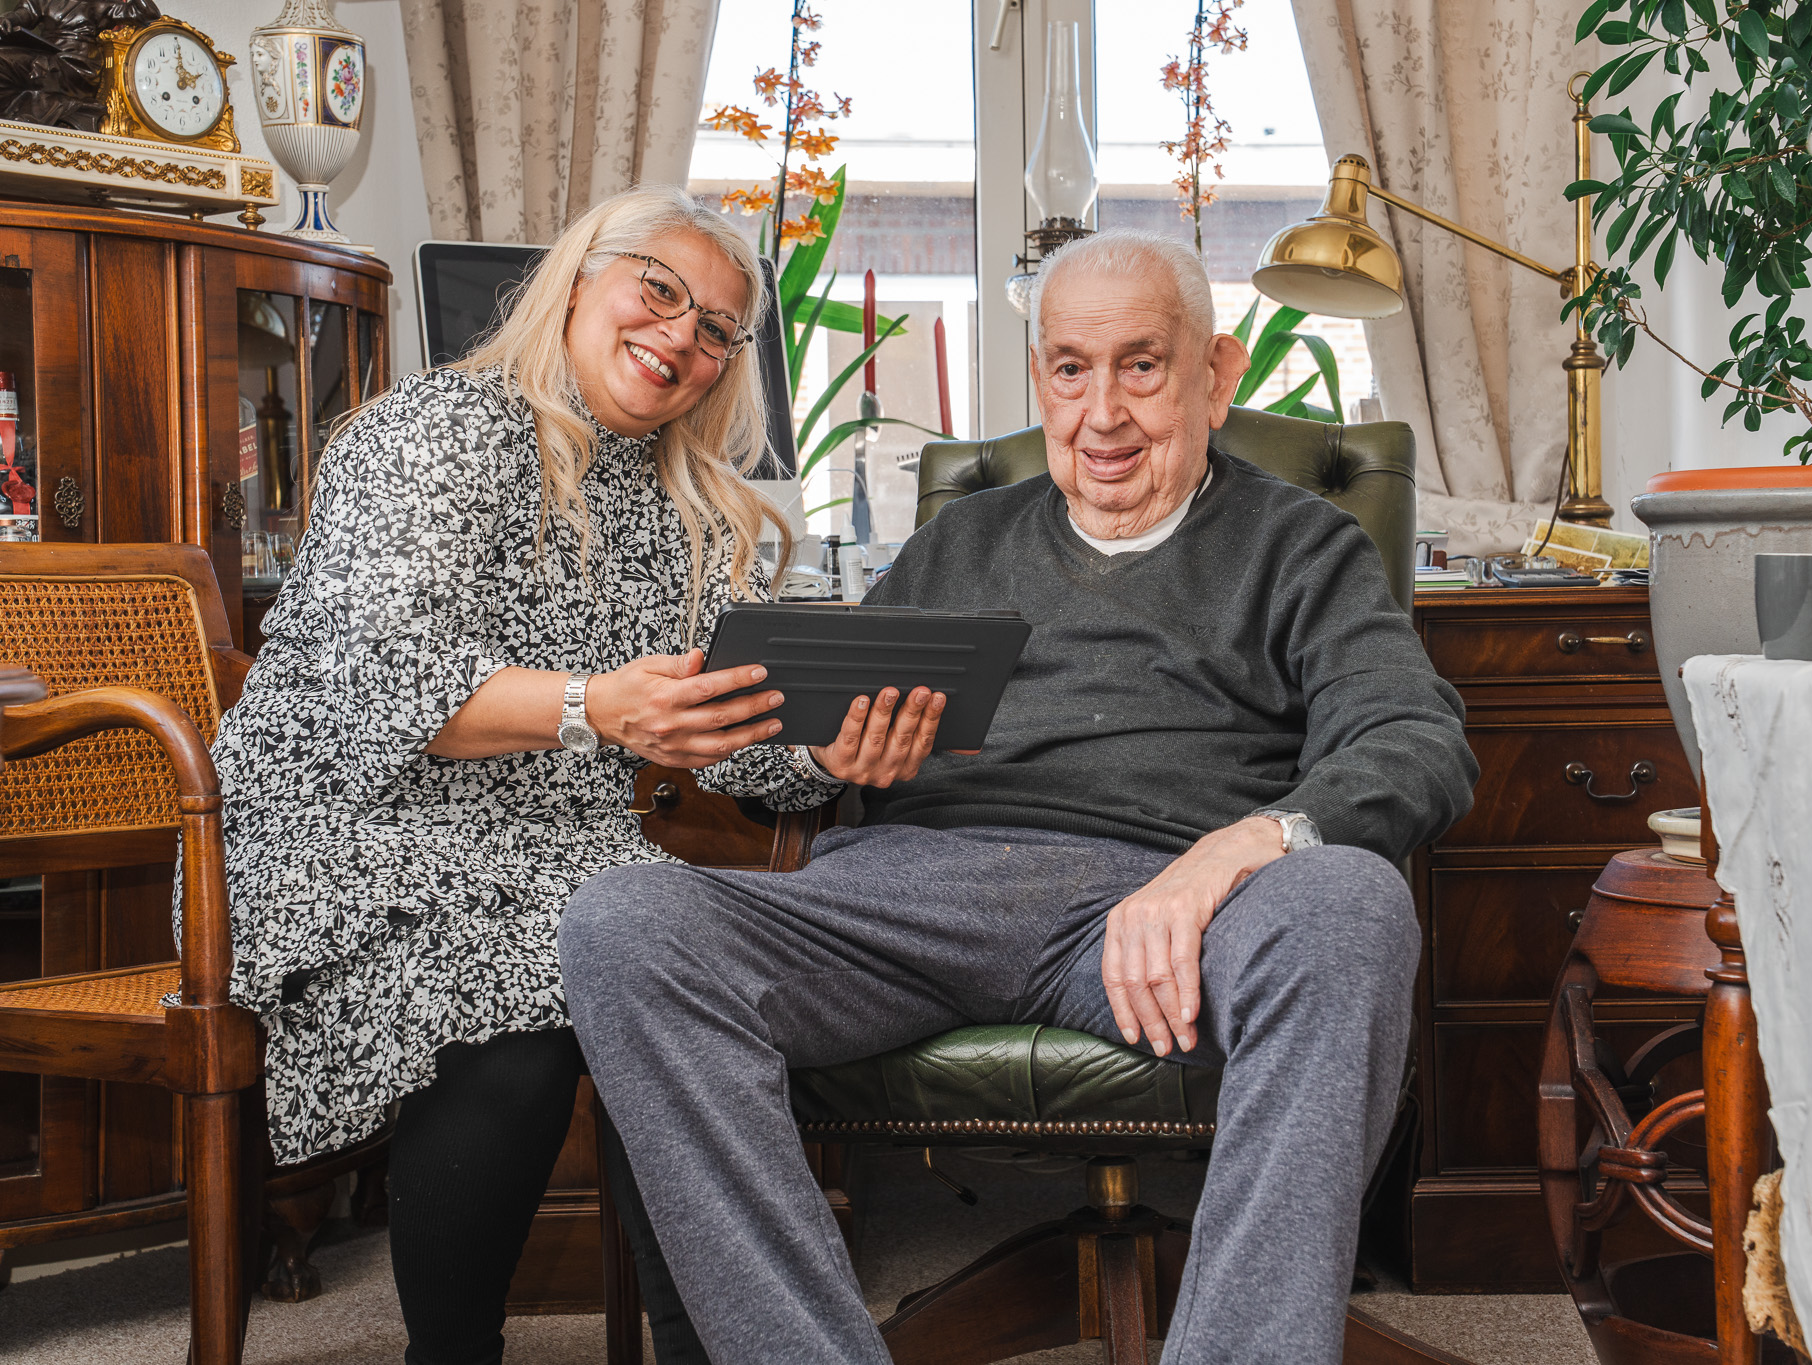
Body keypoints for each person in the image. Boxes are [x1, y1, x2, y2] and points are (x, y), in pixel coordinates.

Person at [559, 226, 1479, 1365]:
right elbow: (796, 754)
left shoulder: (1302, 547)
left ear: (1216, 375)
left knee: (1350, 907)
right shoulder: (959, 541)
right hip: (907, 902)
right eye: (1069, 369)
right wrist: (833, 760)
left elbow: (1413, 739)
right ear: (1039, 375)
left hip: (1160, 912)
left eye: (1141, 366)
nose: (1102, 414)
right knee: (623, 923)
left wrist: (1230, 853)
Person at [211, 186, 945, 1365]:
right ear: (580, 277)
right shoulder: (431, 434)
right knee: (527, 1006)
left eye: (715, 328)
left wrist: (820, 751)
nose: (681, 336)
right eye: (659, 290)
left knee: (676, 975)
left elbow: (714, 716)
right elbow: (381, 683)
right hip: (342, 827)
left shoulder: (682, 500)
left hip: (554, 848)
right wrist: (594, 707)